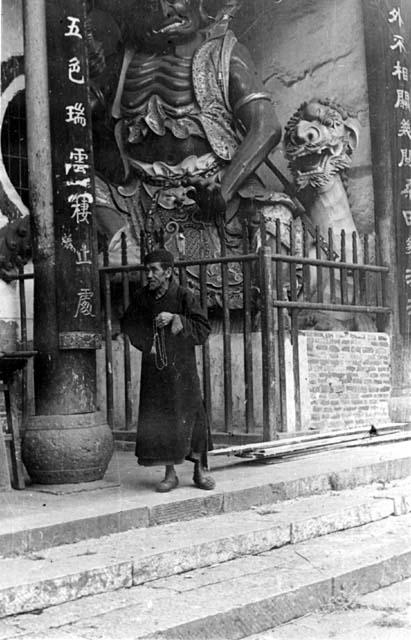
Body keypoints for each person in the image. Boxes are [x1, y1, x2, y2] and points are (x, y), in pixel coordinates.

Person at [121, 248, 215, 492]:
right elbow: (129, 323)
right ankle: (170, 474)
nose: (149, 276)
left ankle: (200, 470)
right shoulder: (142, 297)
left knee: (193, 415)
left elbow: (203, 329)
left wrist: (176, 318)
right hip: (155, 370)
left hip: (182, 369)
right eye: (147, 270)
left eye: (154, 270)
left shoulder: (184, 296)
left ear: (169, 272)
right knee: (163, 418)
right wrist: (147, 343)